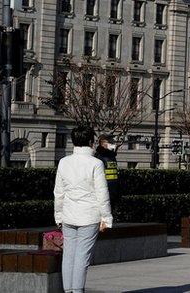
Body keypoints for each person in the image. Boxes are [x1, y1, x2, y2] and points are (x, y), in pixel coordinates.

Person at [53, 125, 112, 293]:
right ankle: (77, 291)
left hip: (68, 216)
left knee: (69, 256)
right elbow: (102, 193)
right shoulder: (96, 163)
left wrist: (58, 216)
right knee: (82, 258)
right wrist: (106, 219)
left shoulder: (64, 162)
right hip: (89, 217)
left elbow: (59, 192)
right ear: (90, 142)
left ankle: (69, 290)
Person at [94, 135, 120, 204]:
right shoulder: (99, 156)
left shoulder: (111, 156)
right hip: (104, 192)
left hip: (113, 191)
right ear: (102, 143)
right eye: (110, 142)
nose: (112, 144)